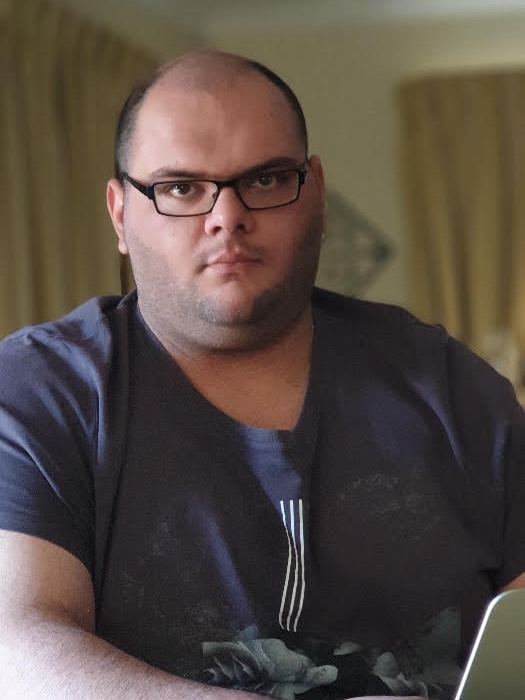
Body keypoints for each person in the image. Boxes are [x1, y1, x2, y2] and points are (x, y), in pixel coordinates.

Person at [0, 49, 524, 700]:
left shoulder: (451, 387)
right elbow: (17, 650)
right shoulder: (40, 389)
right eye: (181, 188)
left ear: (317, 194)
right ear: (120, 214)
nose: (226, 216)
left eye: (267, 179)